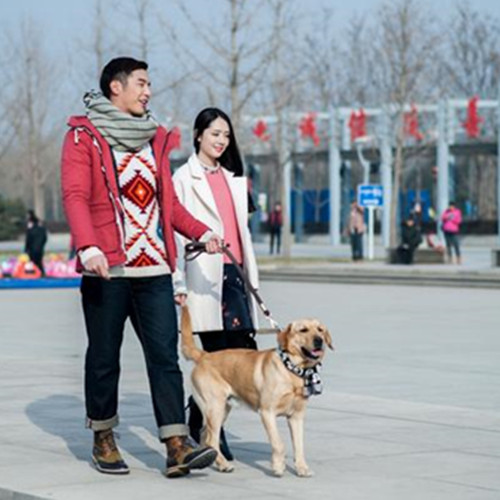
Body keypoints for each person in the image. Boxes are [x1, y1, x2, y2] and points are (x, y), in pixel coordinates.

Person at [61, 57, 222, 479]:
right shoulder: (85, 137)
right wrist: (89, 245)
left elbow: (166, 204)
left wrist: (201, 231)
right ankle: (103, 436)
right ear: (116, 87)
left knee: (165, 357)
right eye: (141, 83)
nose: (148, 91)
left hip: (153, 269)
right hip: (107, 269)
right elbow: (75, 195)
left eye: (149, 84)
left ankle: (176, 444)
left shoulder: (153, 140)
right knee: (104, 358)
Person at [172, 107, 259, 462]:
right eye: (214, 134)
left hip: (235, 277)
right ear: (198, 135)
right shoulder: (182, 178)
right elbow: (175, 235)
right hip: (203, 276)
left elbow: (243, 232)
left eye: (225, 135)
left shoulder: (234, 177)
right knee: (212, 357)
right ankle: (213, 432)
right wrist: (177, 280)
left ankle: (197, 424)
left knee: (242, 352)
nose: (221, 141)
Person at [24, 211, 48, 275]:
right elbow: (45, 239)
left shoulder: (30, 230)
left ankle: (34, 274)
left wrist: (26, 249)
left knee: (33, 263)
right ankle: (42, 273)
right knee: (39, 262)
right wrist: (41, 245)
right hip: (40, 248)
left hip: (32, 249)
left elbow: (28, 240)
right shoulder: (42, 229)